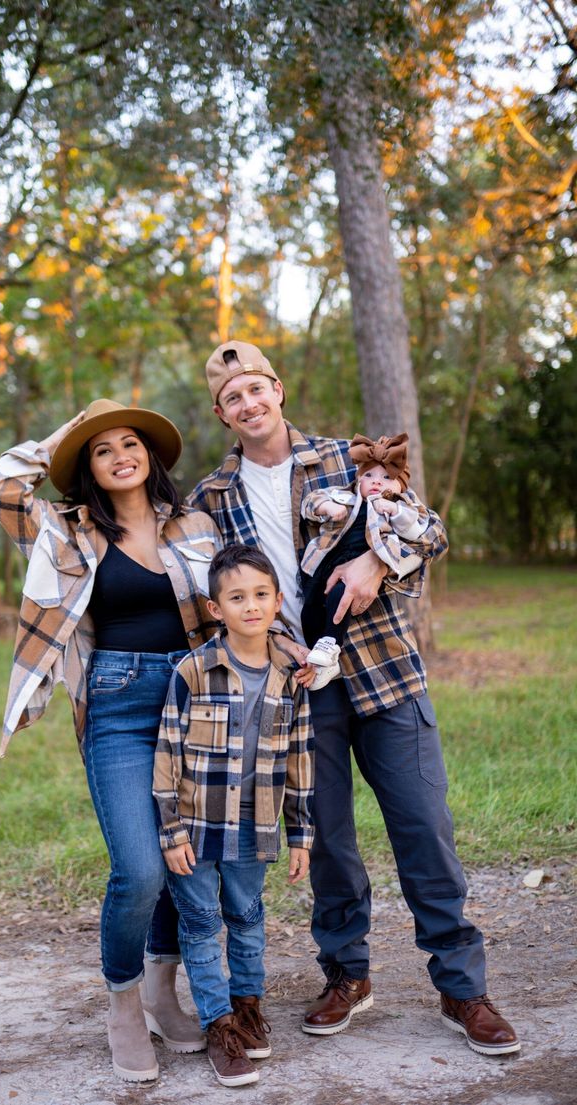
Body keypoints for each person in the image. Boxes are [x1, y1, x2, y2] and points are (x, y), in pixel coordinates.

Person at [187, 339, 520, 1057]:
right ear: (221, 412)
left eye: (257, 388)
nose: (249, 404)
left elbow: (429, 530)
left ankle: (462, 986)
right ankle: (347, 973)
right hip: (298, 688)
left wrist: (376, 559)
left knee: (424, 826)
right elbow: (203, 591)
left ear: (277, 389)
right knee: (329, 839)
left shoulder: (347, 458)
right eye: (232, 397)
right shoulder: (210, 499)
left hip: (385, 672)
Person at [0, 398, 223, 1083]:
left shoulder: (196, 524)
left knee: (183, 864)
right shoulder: (65, 530)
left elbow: (243, 591)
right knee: (139, 868)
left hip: (192, 700)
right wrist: (66, 433)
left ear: (150, 455)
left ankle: (160, 991)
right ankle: (121, 1004)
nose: (120, 454)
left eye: (130, 442)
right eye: (102, 448)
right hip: (115, 703)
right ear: (87, 467)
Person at [153, 543, 314, 1087]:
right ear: (215, 608)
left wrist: (302, 834)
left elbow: (301, 758)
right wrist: (170, 830)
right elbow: (167, 751)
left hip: (257, 823)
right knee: (200, 926)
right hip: (197, 826)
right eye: (237, 597)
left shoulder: (293, 675)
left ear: (276, 601)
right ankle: (219, 1026)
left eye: (261, 595)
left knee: (247, 919)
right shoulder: (193, 671)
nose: (251, 606)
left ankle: (247, 1010)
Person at [301, 431, 428, 674]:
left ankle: (331, 645)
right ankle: (321, 663)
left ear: (400, 485)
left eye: (386, 477)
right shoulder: (344, 497)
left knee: (341, 598)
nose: (376, 482)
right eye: (368, 475)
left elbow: (419, 529)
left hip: (359, 564)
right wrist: (328, 507)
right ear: (358, 479)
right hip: (326, 561)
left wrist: (393, 509)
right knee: (311, 608)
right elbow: (311, 502)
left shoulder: (400, 507)